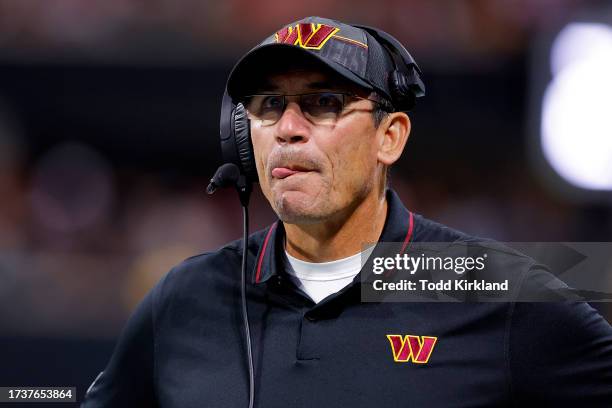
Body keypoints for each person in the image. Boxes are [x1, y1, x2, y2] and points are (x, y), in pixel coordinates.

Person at [81, 16, 612, 407]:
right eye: (269, 106)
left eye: (323, 103)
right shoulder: (186, 297)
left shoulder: (494, 288)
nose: (288, 128)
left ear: (390, 137)